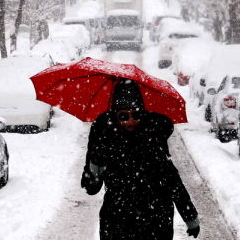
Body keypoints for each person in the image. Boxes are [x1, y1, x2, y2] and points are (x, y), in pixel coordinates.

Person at [81, 79, 200, 240]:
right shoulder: (103, 135)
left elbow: (172, 179)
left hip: (156, 222)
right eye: (123, 115)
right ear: (115, 115)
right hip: (117, 222)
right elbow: (91, 188)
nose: (130, 121)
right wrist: (96, 162)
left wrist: (190, 216)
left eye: (136, 115)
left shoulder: (153, 136)